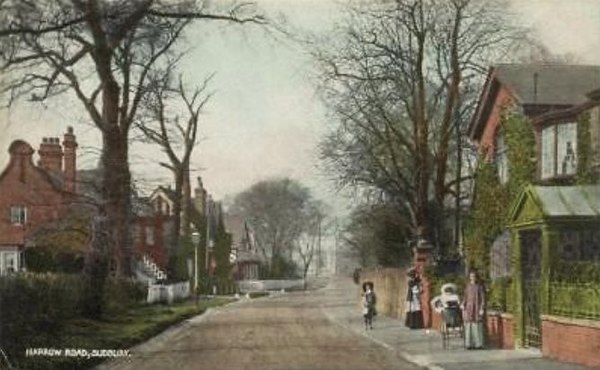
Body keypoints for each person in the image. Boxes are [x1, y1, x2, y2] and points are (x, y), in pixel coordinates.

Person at [462, 271, 486, 349]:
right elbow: (465, 297)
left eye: (474, 276)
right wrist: (463, 304)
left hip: (477, 308)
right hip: (469, 309)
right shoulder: (467, 286)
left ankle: (478, 344)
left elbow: (483, 299)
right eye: (471, 276)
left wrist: (482, 308)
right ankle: (469, 344)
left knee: (477, 325)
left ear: (476, 277)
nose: (473, 278)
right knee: (469, 326)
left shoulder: (479, 287)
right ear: (469, 277)